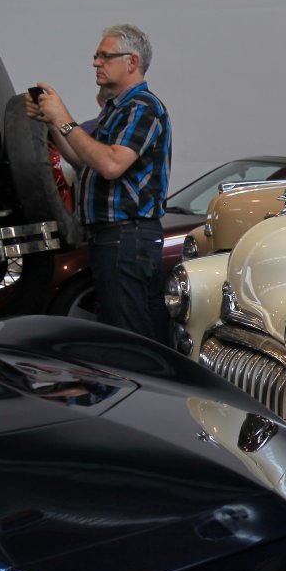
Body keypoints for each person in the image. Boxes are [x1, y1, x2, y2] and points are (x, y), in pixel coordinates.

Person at [25, 24, 172, 342]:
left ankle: (142, 376)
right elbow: (85, 161)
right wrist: (53, 123)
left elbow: (110, 164)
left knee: (129, 336)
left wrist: (64, 119)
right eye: (96, 56)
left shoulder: (142, 108)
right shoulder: (115, 110)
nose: (96, 62)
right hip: (117, 237)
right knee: (132, 329)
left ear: (132, 62)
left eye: (105, 56)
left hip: (126, 237)